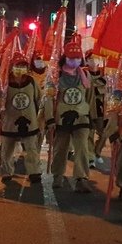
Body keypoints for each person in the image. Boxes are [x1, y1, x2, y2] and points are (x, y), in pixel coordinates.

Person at [43, 38, 98, 193]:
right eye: (71, 58)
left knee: (82, 148)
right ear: (64, 58)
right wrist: (49, 119)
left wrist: (92, 117)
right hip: (61, 119)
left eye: (78, 58)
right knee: (61, 148)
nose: (75, 61)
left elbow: (90, 98)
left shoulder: (85, 75)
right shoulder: (55, 76)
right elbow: (48, 98)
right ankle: (58, 175)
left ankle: (81, 178)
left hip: (82, 118)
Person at [0, 53, 43, 184]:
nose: (21, 68)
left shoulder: (31, 81)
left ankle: (34, 172)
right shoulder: (3, 82)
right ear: (12, 67)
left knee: (31, 148)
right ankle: (7, 172)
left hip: (29, 120)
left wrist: (43, 114)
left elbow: (39, 98)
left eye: (23, 66)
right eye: (18, 66)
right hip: (9, 121)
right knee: (7, 150)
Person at [84, 50, 107, 169]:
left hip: (101, 109)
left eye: (96, 58)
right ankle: (90, 157)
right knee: (89, 135)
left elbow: (105, 90)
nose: (94, 61)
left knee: (104, 133)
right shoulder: (84, 74)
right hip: (88, 109)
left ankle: (97, 152)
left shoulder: (104, 74)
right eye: (91, 58)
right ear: (87, 60)